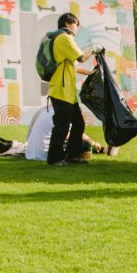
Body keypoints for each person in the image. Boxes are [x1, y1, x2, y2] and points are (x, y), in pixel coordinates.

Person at [46, 12, 95, 167]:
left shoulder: (63, 40)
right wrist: (94, 49)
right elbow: (81, 58)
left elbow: (74, 66)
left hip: (68, 92)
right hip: (61, 91)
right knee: (62, 126)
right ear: (68, 23)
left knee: (79, 124)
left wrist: (91, 73)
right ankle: (54, 158)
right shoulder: (64, 38)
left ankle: (73, 155)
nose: (77, 28)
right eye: (76, 24)